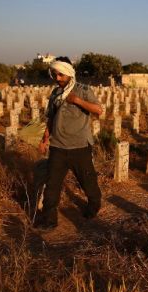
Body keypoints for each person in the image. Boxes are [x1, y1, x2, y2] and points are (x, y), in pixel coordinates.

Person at [36, 56, 103, 229]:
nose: (57, 78)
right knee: (52, 186)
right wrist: (44, 140)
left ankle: (93, 206)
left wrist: (78, 101)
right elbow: (50, 118)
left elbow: (98, 110)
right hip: (58, 147)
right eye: (55, 74)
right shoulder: (55, 93)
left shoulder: (83, 90)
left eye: (61, 75)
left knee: (88, 182)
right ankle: (49, 220)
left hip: (80, 146)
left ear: (69, 74)